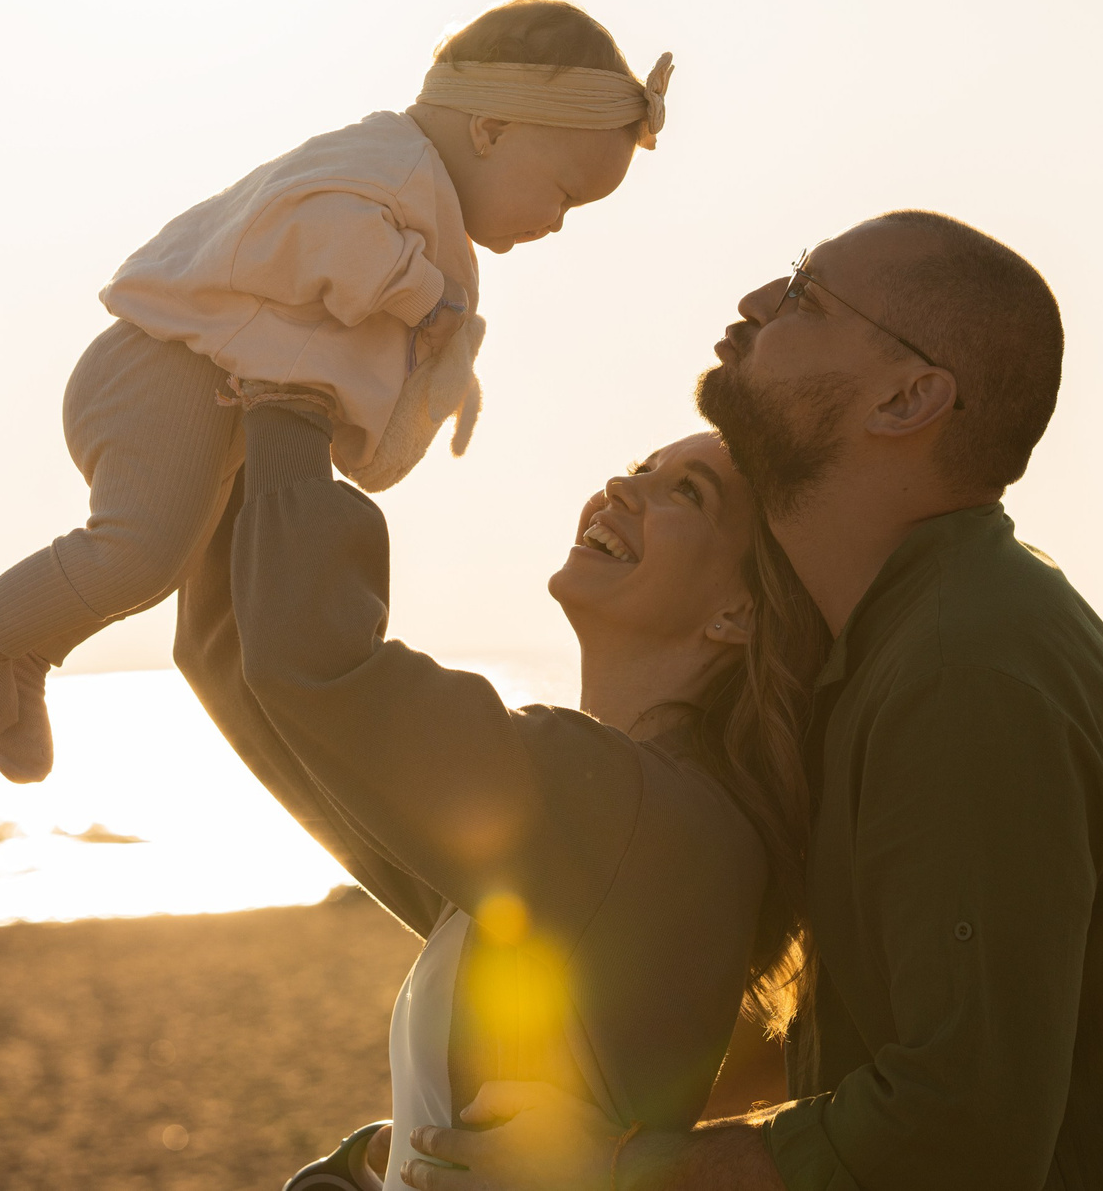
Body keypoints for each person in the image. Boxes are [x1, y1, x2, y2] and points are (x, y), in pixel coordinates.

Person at [406, 212, 1103, 1191]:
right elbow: (872, 1032)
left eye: (804, 295)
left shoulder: (965, 670)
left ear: (907, 399)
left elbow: (960, 1128)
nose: (755, 304)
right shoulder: (899, 644)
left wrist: (623, 1172)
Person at [0, 0, 676, 781]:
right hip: (164, 367)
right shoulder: (387, 162)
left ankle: (32, 647)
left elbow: (379, 341)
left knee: (181, 574)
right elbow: (315, 228)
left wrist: (442, 374)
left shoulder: (429, 211)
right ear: (491, 130)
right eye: (563, 194)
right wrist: (420, 295)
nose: (559, 223)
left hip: (213, 393)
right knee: (141, 552)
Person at [176, 396, 829, 1191]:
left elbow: (311, 662)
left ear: (739, 611)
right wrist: (238, 432)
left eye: (686, 492)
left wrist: (294, 393)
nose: (623, 489)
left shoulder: (639, 814)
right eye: (639, 468)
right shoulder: (607, 832)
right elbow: (245, 663)